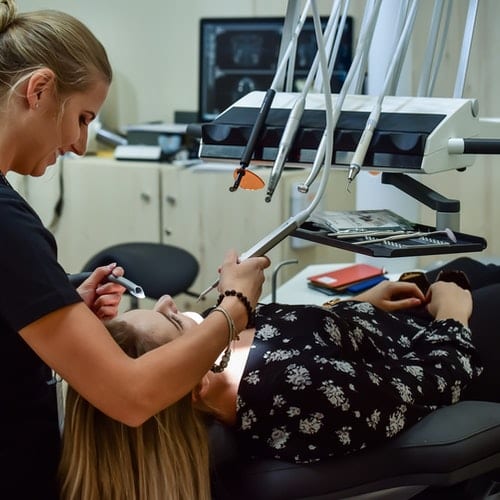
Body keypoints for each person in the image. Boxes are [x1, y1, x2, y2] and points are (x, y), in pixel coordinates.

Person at [0, 2, 269, 498]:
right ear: (38, 91)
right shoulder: (9, 227)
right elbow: (132, 395)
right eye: (81, 119)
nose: (80, 144)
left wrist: (57, 313)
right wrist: (233, 308)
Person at [59, 258, 489, 500]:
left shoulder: (219, 353)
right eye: (173, 323)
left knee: (469, 264)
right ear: (193, 385)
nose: (169, 302)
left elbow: (295, 337)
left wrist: (353, 306)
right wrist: (454, 313)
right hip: (460, 348)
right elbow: (431, 381)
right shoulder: (293, 395)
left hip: (397, 320)